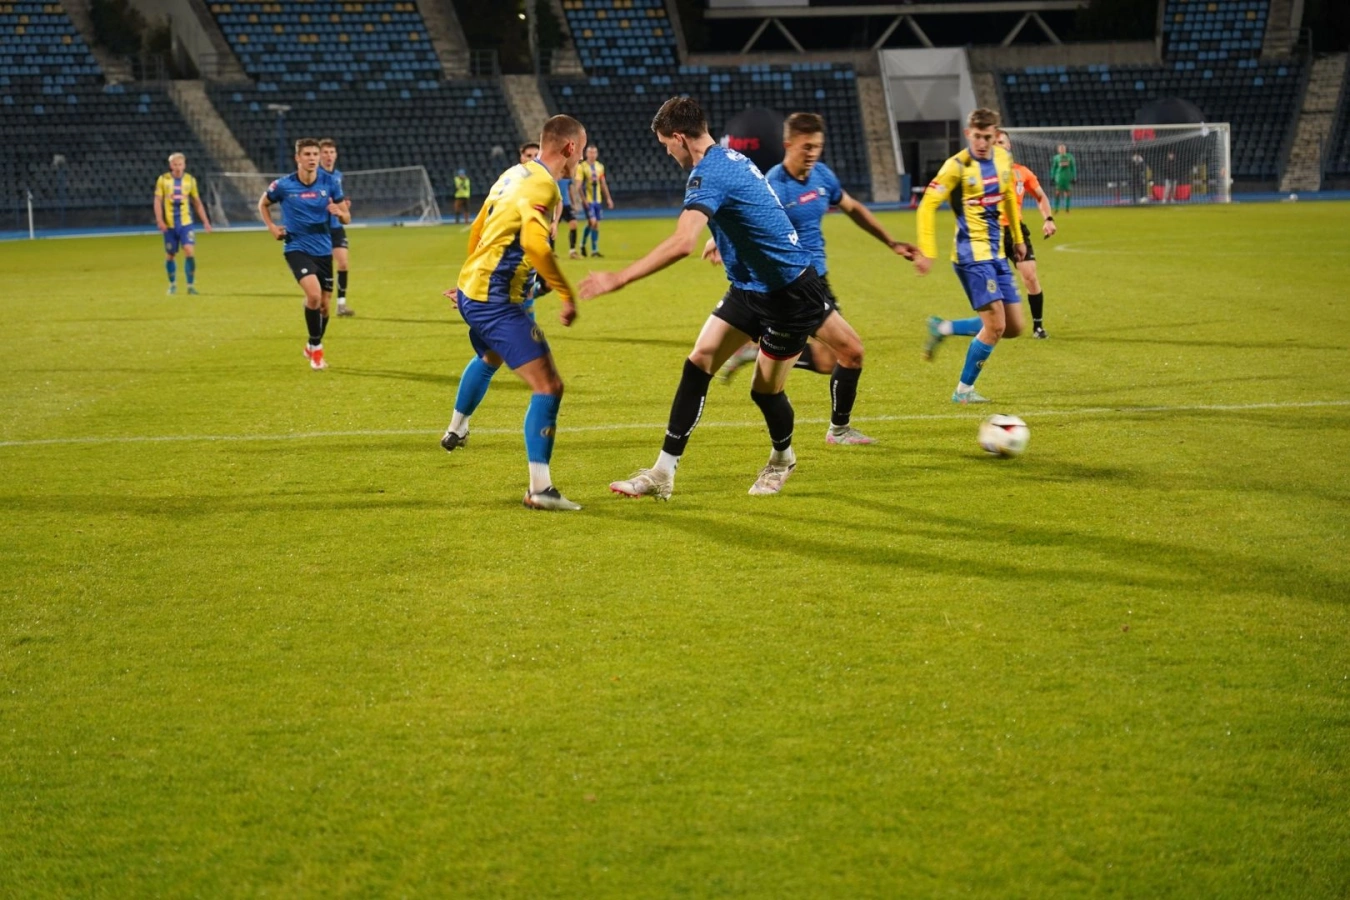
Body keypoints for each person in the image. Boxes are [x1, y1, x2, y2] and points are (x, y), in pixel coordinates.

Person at [580, 96, 841, 499]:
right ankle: (663, 472)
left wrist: (619, 277)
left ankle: (781, 459)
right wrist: (725, 241)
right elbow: (756, 208)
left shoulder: (708, 173)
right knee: (698, 362)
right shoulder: (731, 158)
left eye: (666, 144)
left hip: (788, 293)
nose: (667, 152)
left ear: (680, 138)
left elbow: (682, 242)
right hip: (749, 286)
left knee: (764, 391)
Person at [718, 111, 915, 445]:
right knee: (850, 353)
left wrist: (891, 242)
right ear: (788, 144)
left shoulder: (822, 176)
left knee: (834, 359)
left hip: (817, 281)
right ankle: (838, 430)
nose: (812, 153)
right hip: (792, 284)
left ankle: (758, 352)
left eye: (817, 147)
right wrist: (719, 241)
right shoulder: (773, 184)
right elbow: (744, 218)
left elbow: (853, 208)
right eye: (806, 147)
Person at [442, 115, 587, 511]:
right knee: (549, 386)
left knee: (491, 357)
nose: (580, 160)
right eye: (580, 151)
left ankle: (457, 427)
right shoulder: (545, 186)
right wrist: (566, 294)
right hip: (496, 302)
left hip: (477, 291)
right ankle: (540, 489)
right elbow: (537, 247)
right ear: (570, 148)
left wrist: (468, 280)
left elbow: (478, 227)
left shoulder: (513, 174)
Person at [914, 108, 1025, 404]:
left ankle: (944, 327)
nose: (982, 143)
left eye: (987, 137)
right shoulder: (956, 166)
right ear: (968, 134)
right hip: (971, 256)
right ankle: (963, 391)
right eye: (977, 137)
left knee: (1014, 326)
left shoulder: (1003, 159)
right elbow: (927, 205)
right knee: (996, 325)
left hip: (997, 254)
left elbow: (1009, 197)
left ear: (995, 136)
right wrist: (928, 250)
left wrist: (1016, 237)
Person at [258, 138, 349, 371]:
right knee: (314, 296)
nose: (312, 159)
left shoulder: (330, 182)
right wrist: (271, 227)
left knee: (325, 306)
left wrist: (339, 213)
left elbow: (347, 217)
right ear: (297, 158)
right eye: (307, 154)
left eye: (315, 154)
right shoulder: (283, 185)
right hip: (296, 247)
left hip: (323, 249)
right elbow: (263, 204)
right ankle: (317, 352)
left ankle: (311, 343)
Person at [995, 131, 1057, 339]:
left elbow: (1040, 196)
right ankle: (995, 325)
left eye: (1001, 142)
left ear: (1009, 145)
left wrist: (1048, 219)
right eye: (995, 143)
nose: (998, 145)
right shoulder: (983, 174)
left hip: (1016, 231)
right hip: (991, 231)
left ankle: (1038, 326)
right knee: (992, 283)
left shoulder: (1022, 173)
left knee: (1030, 276)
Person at [153, 152, 212, 295]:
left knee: (189, 251)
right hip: (170, 225)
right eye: (175, 165)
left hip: (186, 223)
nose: (178, 167)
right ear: (170, 166)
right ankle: (172, 284)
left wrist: (205, 221)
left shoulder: (190, 180)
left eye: (180, 164)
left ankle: (190, 286)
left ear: (184, 165)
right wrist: (160, 220)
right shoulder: (163, 180)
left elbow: (197, 202)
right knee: (170, 255)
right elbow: (157, 200)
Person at [318, 138, 355, 317]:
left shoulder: (338, 176)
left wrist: (343, 206)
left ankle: (341, 304)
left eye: (331, 152)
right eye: (325, 152)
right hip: (319, 228)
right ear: (319, 155)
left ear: (336, 155)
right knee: (321, 268)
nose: (329, 156)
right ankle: (316, 299)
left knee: (343, 263)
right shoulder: (314, 175)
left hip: (336, 226)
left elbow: (338, 198)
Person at [577, 145, 613, 257]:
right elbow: (579, 186)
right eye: (590, 152)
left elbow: (603, 184)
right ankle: (588, 247)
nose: (592, 155)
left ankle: (590, 249)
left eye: (594, 153)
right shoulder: (581, 167)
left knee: (595, 224)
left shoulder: (600, 167)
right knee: (592, 222)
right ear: (586, 154)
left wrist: (608, 198)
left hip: (597, 200)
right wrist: (583, 200)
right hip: (588, 200)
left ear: (597, 154)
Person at [1050, 143, 1076, 213]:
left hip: (1067, 177)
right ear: (1058, 150)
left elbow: (1073, 167)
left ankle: (1067, 208)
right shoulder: (1056, 158)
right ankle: (1056, 208)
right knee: (1057, 193)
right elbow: (1054, 168)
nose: (1062, 149)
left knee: (1068, 193)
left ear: (1065, 149)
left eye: (1063, 148)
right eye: (1060, 148)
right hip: (1059, 177)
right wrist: (1052, 176)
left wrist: (1074, 176)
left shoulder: (1070, 157)